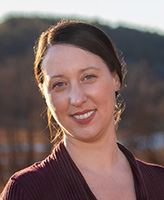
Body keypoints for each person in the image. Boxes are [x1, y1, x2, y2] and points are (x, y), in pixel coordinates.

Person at [1, 20, 164, 200]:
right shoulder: (26, 191)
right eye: (60, 84)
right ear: (45, 94)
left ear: (116, 78)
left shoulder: (160, 182)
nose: (77, 99)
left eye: (88, 77)